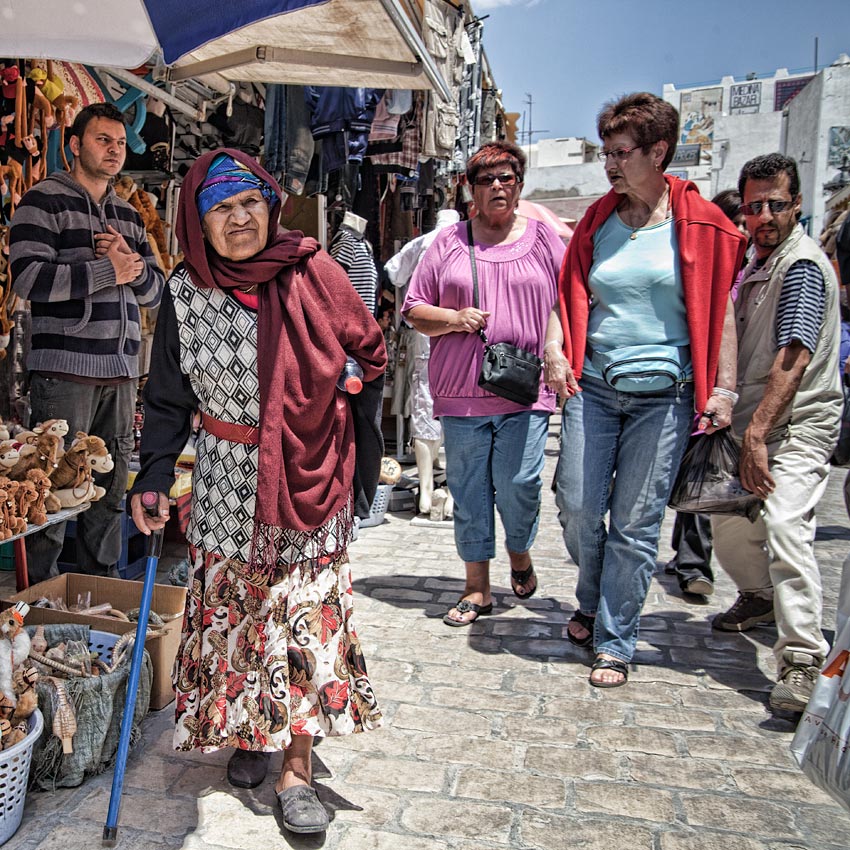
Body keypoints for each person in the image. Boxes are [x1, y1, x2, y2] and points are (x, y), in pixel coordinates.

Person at [128, 150, 387, 834]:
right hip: (222, 477)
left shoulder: (314, 270)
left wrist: (345, 383)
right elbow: (164, 398)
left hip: (308, 473)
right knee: (240, 617)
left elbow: (371, 346)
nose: (238, 218)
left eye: (248, 202)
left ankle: (296, 765)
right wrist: (152, 474)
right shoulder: (185, 293)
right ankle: (249, 732)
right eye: (220, 208)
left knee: (301, 618)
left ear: (270, 205)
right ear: (199, 221)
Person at [545, 92, 745, 687]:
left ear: (659, 152)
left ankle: (614, 637)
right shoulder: (597, 221)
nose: (609, 163)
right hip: (595, 385)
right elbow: (570, 291)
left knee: (634, 522)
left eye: (621, 152)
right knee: (579, 505)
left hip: (666, 393)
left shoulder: (700, 223)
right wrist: (556, 348)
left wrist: (725, 390)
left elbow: (722, 313)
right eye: (605, 151)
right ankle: (591, 597)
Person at [402, 141, 565, 626]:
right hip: (460, 390)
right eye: (486, 179)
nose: (498, 186)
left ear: (519, 184)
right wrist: (453, 319)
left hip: (523, 388)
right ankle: (477, 588)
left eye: (507, 178)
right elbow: (413, 308)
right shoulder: (449, 243)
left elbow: (565, 304)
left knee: (519, 483)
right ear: (470, 189)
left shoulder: (544, 240)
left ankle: (519, 550)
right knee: (470, 492)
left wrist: (555, 351)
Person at [9, 102, 164, 581]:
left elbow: (156, 291)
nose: (114, 151)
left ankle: (99, 604)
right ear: (75, 145)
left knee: (110, 496)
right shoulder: (43, 200)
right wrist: (105, 271)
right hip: (65, 374)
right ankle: (33, 612)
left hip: (119, 374)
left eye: (120, 143)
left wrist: (130, 264)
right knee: (50, 500)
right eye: (103, 140)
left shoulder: (127, 216)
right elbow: (27, 279)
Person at [710, 153, 842, 714]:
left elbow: (794, 355)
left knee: (786, 524)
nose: (763, 214)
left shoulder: (802, 266)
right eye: (754, 204)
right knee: (726, 521)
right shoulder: (750, 264)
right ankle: (759, 598)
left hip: (797, 421)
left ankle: (803, 660)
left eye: (775, 204)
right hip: (751, 422)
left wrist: (759, 434)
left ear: (797, 206)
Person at [665, 188, 751, 597]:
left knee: (707, 471)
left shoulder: (748, 272)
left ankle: (690, 556)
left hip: (735, 390)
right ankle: (694, 563)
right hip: (697, 386)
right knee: (701, 470)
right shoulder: (704, 267)